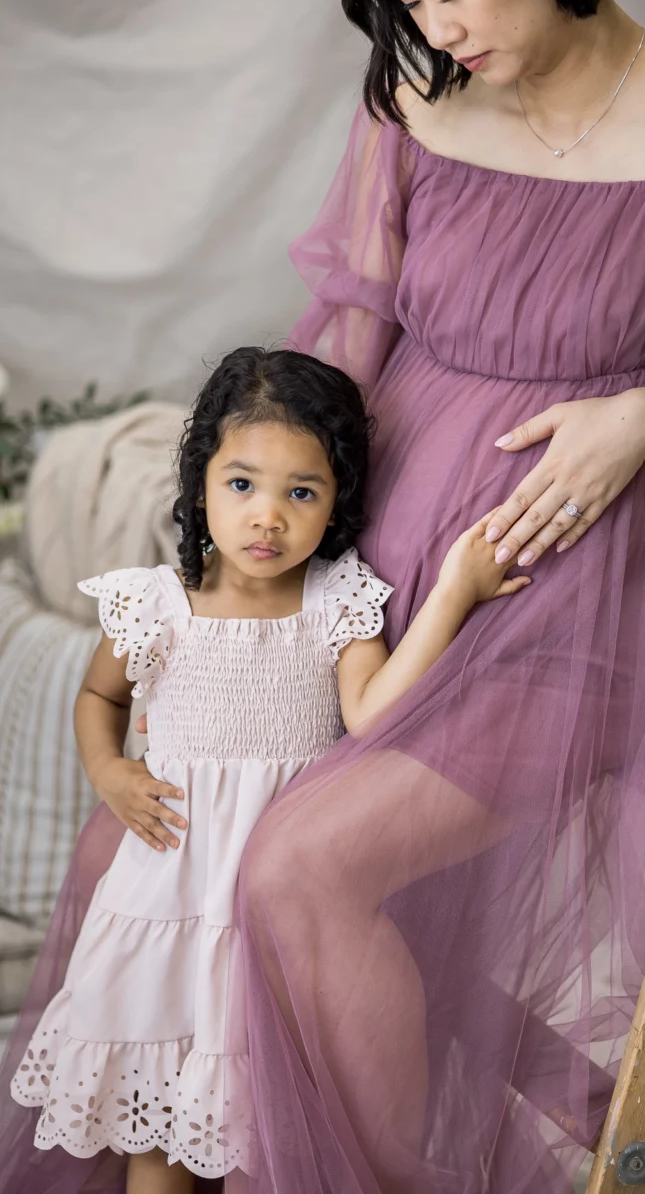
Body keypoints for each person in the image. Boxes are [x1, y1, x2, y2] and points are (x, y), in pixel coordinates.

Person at [0, 0, 645, 1192]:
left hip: (568, 595)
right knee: (156, 838)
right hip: (370, 579)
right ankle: (211, 1148)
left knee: (310, 865)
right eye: (407, 0)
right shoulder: (414, 105)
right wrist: (271, 580)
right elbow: (344, 354)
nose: (434, 29)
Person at [6, 346, 529, 1193]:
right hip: (171, 898)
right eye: (242, 485)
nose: (267, 519)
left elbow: (373, 711)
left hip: (272, 913)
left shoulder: (337, 602)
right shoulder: (157, 601)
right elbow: (99, 699)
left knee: (259, 1116)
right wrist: (109, 773)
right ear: (200, 483)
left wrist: (453, 595)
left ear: (337, 502)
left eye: (302, 493)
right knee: (160, 1127)